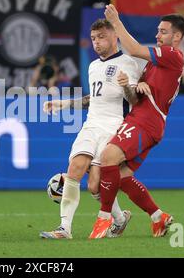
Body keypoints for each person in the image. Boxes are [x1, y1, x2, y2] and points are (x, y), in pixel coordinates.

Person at [88, 5, 184, 239]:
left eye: (163, 31)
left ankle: (104, 219)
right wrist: (138, 87)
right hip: (146, 121)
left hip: (146, 120)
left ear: (177, 37)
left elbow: (131, 48)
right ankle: (157, 217)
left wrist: (116, 21)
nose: (157, 35)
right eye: (157, 31)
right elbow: (147, 89)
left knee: (107, 157)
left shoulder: (172, 55)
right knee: (120, 176)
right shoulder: (156, 63)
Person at [39, 19, 142, 239]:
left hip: (115, 126)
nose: (96, 43)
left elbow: (134, 100)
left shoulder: (128, 63)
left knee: (95, 185)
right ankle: (64, 228)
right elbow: (93, 99)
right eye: (94, 38)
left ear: (115, 36)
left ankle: (120, 219)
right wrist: (63, 104)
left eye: (102, 37)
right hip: (91, 124)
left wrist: (125, 86)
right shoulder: (93, 66)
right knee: (75, 167)